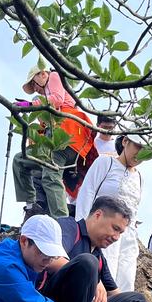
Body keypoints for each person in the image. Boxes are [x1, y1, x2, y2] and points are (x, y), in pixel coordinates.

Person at [45, 196, 148, 302]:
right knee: (87, 262)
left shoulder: (99, 256)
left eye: (120, 233)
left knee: (137, 300)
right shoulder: (70, 227)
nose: (116, 237)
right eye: (115, 228)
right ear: (98, 215)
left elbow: (116, 294)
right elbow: (50, 260)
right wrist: (95, 280)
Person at [12, 63, 95, 218]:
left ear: (42, 74)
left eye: (33, 83)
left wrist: (30, 104)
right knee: (20, 160)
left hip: (66, 136)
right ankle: (32, 205)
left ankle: (62, 221)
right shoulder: (45, 100)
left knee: (51, 174)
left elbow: (57, 99)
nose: (35, 88)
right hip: (55, 139)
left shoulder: (54, 76)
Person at [74, 133, 145, 291]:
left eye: (146, 151)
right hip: (102, 230)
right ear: (125, 141)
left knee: (126, 281)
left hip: (127, 236)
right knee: (101, 277)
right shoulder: (105, 162)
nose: (140, 154)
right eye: (138, 147)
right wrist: (83, 234)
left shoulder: (139, 177)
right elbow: (86, 195)